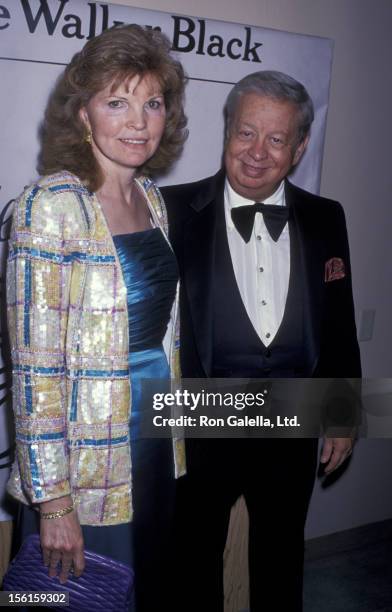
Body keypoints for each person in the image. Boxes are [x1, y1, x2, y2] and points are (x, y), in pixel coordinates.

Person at [162, 70, 361, 611]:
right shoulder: (169, 210)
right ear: (227, 131)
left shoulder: (326, 217)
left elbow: (338, 322)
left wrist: (343, 412)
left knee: (280, 557)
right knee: (192, 559)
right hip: (202, 419)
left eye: (276, 139)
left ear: (299, 148)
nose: (257, 152)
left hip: (292, 416)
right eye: (246, 132)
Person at [6, 24, 187, 611]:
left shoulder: (152, 198)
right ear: (83, 116)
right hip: (89, 457)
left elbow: (165, 333)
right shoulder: (50, 206)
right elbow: (35, 373)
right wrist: (54, 503)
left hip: (156, 435)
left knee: (152, 580)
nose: (139, 121)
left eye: (152, 103)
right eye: (117, 102)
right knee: (87, 595)